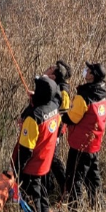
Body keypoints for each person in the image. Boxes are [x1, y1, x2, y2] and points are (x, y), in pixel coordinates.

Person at [15, 74, 60, 212]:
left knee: (30, 202)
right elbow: (56, 98)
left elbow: (26, 149)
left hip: (32, 167)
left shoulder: (33, 118)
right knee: (42, 196)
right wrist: (34, 100)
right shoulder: (54, 108)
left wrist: (17, 170)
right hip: (44, 164)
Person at [63, 61, 106, 212]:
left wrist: (60, 115)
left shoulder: (84, 96)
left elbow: (73, 118)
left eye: (88, 70)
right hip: (94, 143)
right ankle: (98, 206)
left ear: (92, 76)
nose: (85, 71)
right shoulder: (102, 91)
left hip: (80, 144)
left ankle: (76, 210)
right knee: (93, 177)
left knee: (74, 177)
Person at [42, 59, 71, 194]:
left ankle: (65, 187)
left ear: (53, 76)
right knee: (48, 157)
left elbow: (63, 114)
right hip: (51, 129)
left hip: (55, 130)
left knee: (53, 158)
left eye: (50, 69)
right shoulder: (53, 86)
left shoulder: (62, 91)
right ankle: (49, 186)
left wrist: (57, 133)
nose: (47, 69)